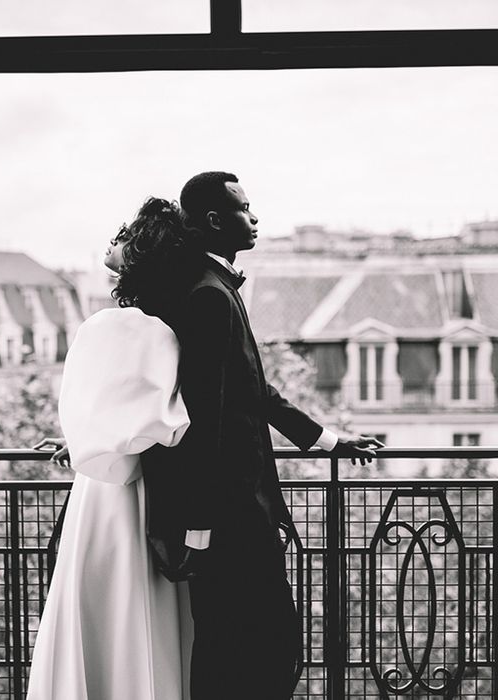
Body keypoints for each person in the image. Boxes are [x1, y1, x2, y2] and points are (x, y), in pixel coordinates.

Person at [140, 171, 384, 699]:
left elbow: (253, 391)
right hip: (230, 518)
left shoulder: (214, 288)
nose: (255, 218)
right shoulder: (209, 295)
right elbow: (207, 419)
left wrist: (325, 439)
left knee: (242, 643)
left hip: (238, 514)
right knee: (256, 645)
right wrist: (200, 530)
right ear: (214, 220)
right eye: (245, 208)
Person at [26, 197, 203, 700]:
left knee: (97, 596)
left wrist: (87, 440)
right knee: (140, 605)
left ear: (139, 252)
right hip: (149, 484)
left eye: (125, 232)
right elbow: (159, 420)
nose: (114, 238)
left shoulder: (106, 326)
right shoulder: (167, 330)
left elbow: (95, 410)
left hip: (102, 490)